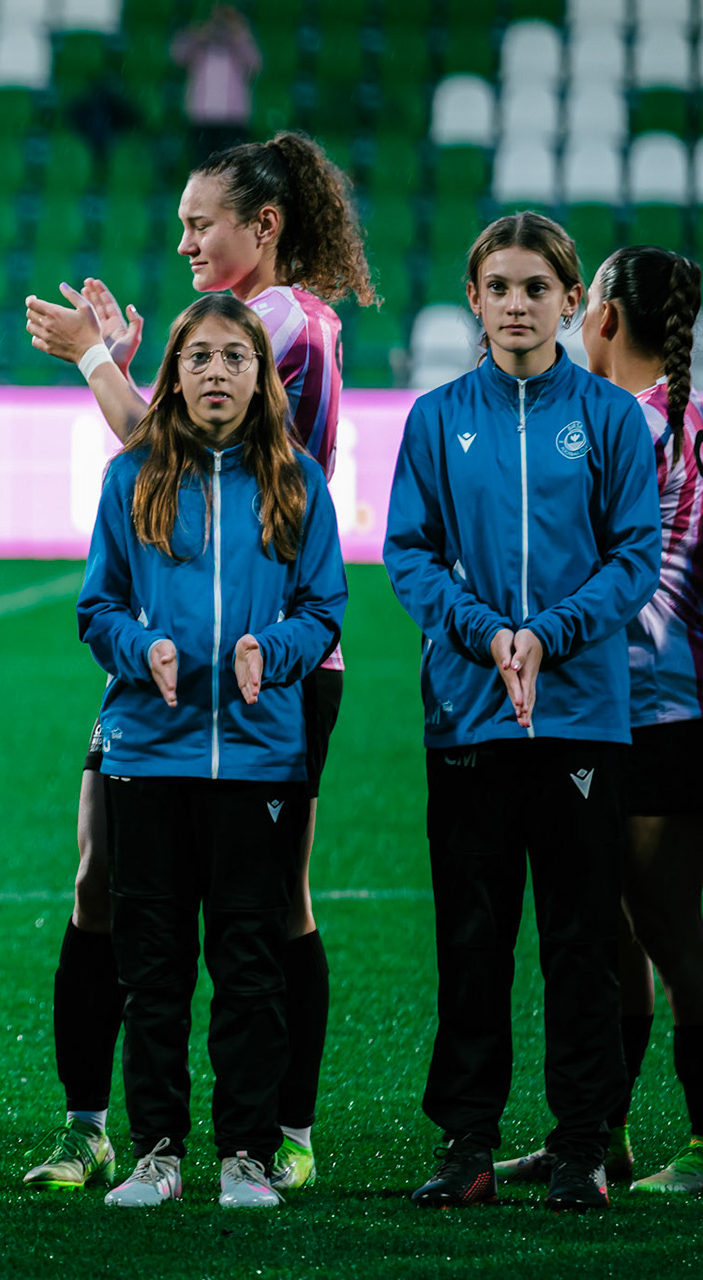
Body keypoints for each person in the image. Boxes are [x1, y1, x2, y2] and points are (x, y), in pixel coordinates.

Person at [24, 130, 374, 1193]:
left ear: (261, 227)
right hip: (167, 663)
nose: (182, 241)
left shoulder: (278, 322)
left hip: (271, 669)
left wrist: (96, 361)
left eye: (198, 222)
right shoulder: (266, 313)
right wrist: (128, 368)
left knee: (270, 905)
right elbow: (160, 458)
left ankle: (275, 1130)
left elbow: (170, 441)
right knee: (110, 881)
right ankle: (109, 1125)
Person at [383, 213, 661, 1212]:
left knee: (583, 938)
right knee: (471, 937)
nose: (516, 303)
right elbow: (406, 553)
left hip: (582, 714)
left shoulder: (614, 419)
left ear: (571, 298)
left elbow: (634, 556)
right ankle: (465, 1144)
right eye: (498, 286)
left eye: (537, 287)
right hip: (468, 715)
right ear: (473, 298)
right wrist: (485, 633)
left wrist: (548, 632)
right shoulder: (435, 418)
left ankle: (582, 1142)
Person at [81, 294, 346, 1211]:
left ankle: (245, 1154)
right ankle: (157, 1152)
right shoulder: (133, 476)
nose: (216, 372)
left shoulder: (298, 479)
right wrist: (139, 648)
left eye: (236, 356)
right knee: (152, 970)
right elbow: (97, 607)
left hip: (262, 763)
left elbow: (325, 611)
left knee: (248, 965)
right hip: (148, 757)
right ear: (175, 372)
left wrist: (269, 655)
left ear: (262, 373)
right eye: (198, 356)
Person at [496, 245, 703, 1195]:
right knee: (615, 922)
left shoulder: (622, 425)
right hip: (639, 703)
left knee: (666, 930)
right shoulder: (675, 421)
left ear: (607, 318)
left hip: (650, 707)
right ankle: (602, 1134)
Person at [173, 4, 261, 163]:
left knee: (231, 170)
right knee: (202, 166)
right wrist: (201, 32)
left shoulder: (239, 41)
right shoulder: (199, 43)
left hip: (233, 118)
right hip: (202, 117)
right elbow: (178, 55)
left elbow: (255, 63)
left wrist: (238, 32)